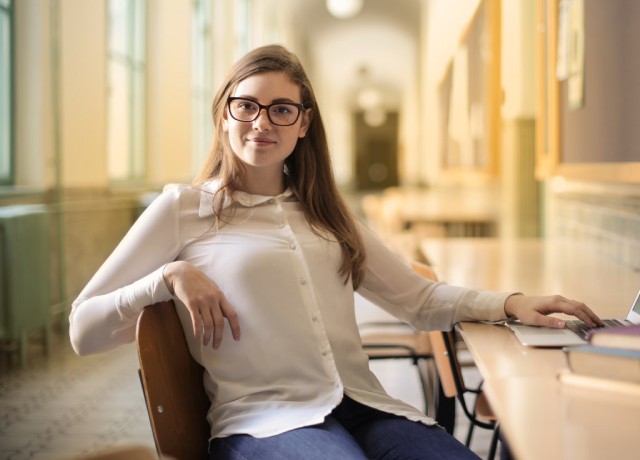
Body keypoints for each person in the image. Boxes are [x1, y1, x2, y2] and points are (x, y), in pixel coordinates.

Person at [69, 44, 602, 460]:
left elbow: (419, 299)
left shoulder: (327, 211)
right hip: (265, 421)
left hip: (367, 407)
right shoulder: (183, 209)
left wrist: (510, 304)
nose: (261, 123)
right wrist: (168, 276)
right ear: (224, 115)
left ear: (303, 124)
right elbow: (83, 330)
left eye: (281, 110)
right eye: (246, 106)